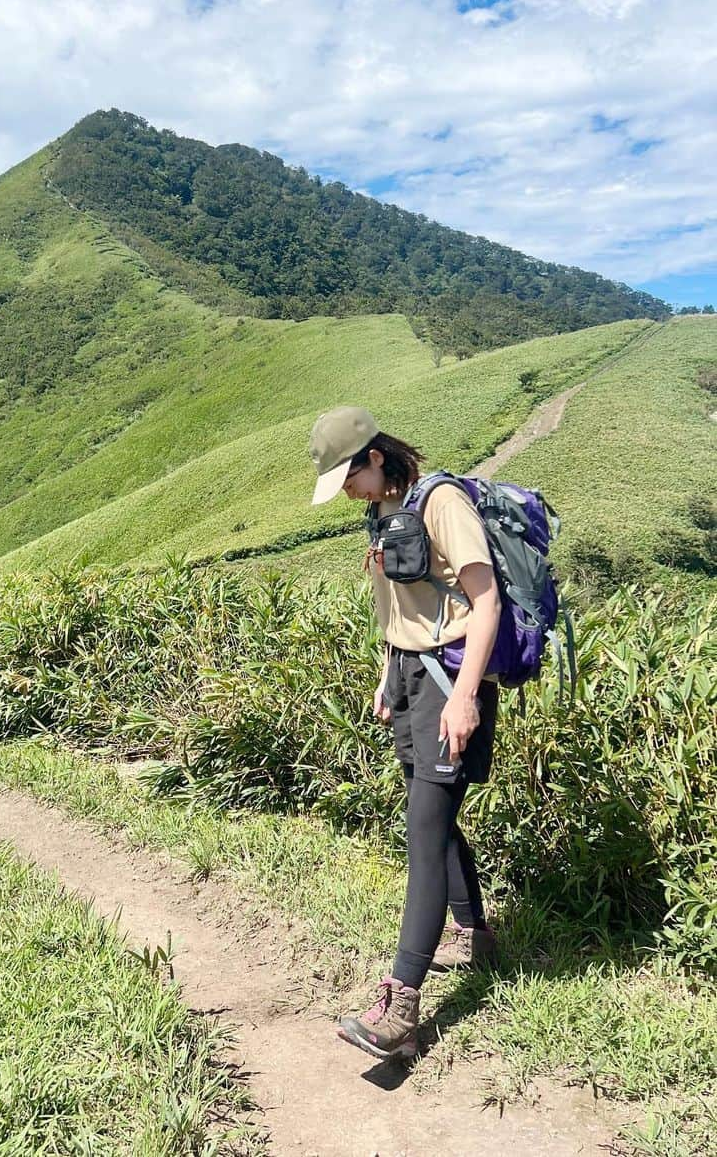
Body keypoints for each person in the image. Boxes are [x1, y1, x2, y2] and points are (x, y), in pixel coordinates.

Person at [308, 405, 500, 1062]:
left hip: (451, 682)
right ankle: (478, 936)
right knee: (435, 821)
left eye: (349, 479)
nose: (349, 494)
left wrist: (466, 698)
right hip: (414, 682)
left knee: (423, 832)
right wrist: (391, 676)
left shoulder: (442, 501)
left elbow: (486, 601)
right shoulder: (384, 512)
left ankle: (402, 1007)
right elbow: (407, 610)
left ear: (376, 459)